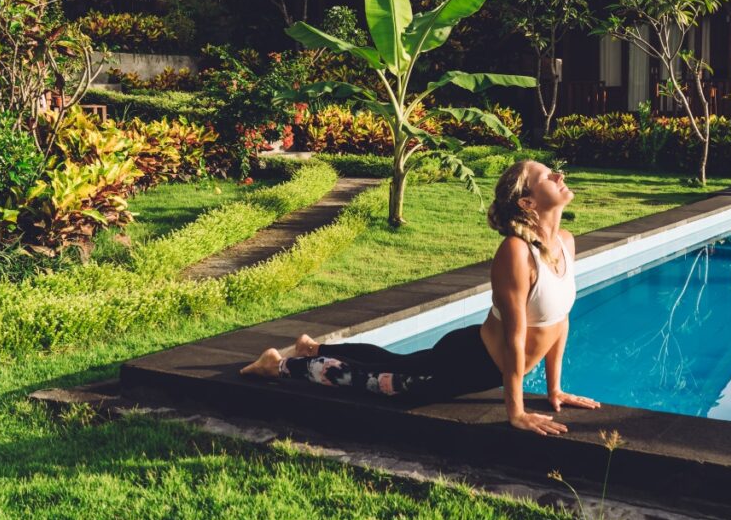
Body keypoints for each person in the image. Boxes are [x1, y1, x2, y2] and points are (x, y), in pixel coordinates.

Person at [240, 159, 600, 435]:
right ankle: (279, 365)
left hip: (480, 360)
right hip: (471, 361)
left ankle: (313, 348)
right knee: (383, 383)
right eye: (546, 177)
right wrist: (516, 413)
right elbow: (515, 337)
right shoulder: (515, 252)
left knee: (397, 363)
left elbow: (560, 319)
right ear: (527, 202)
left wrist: (555, 388)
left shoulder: (565, 242)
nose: (558, 176)